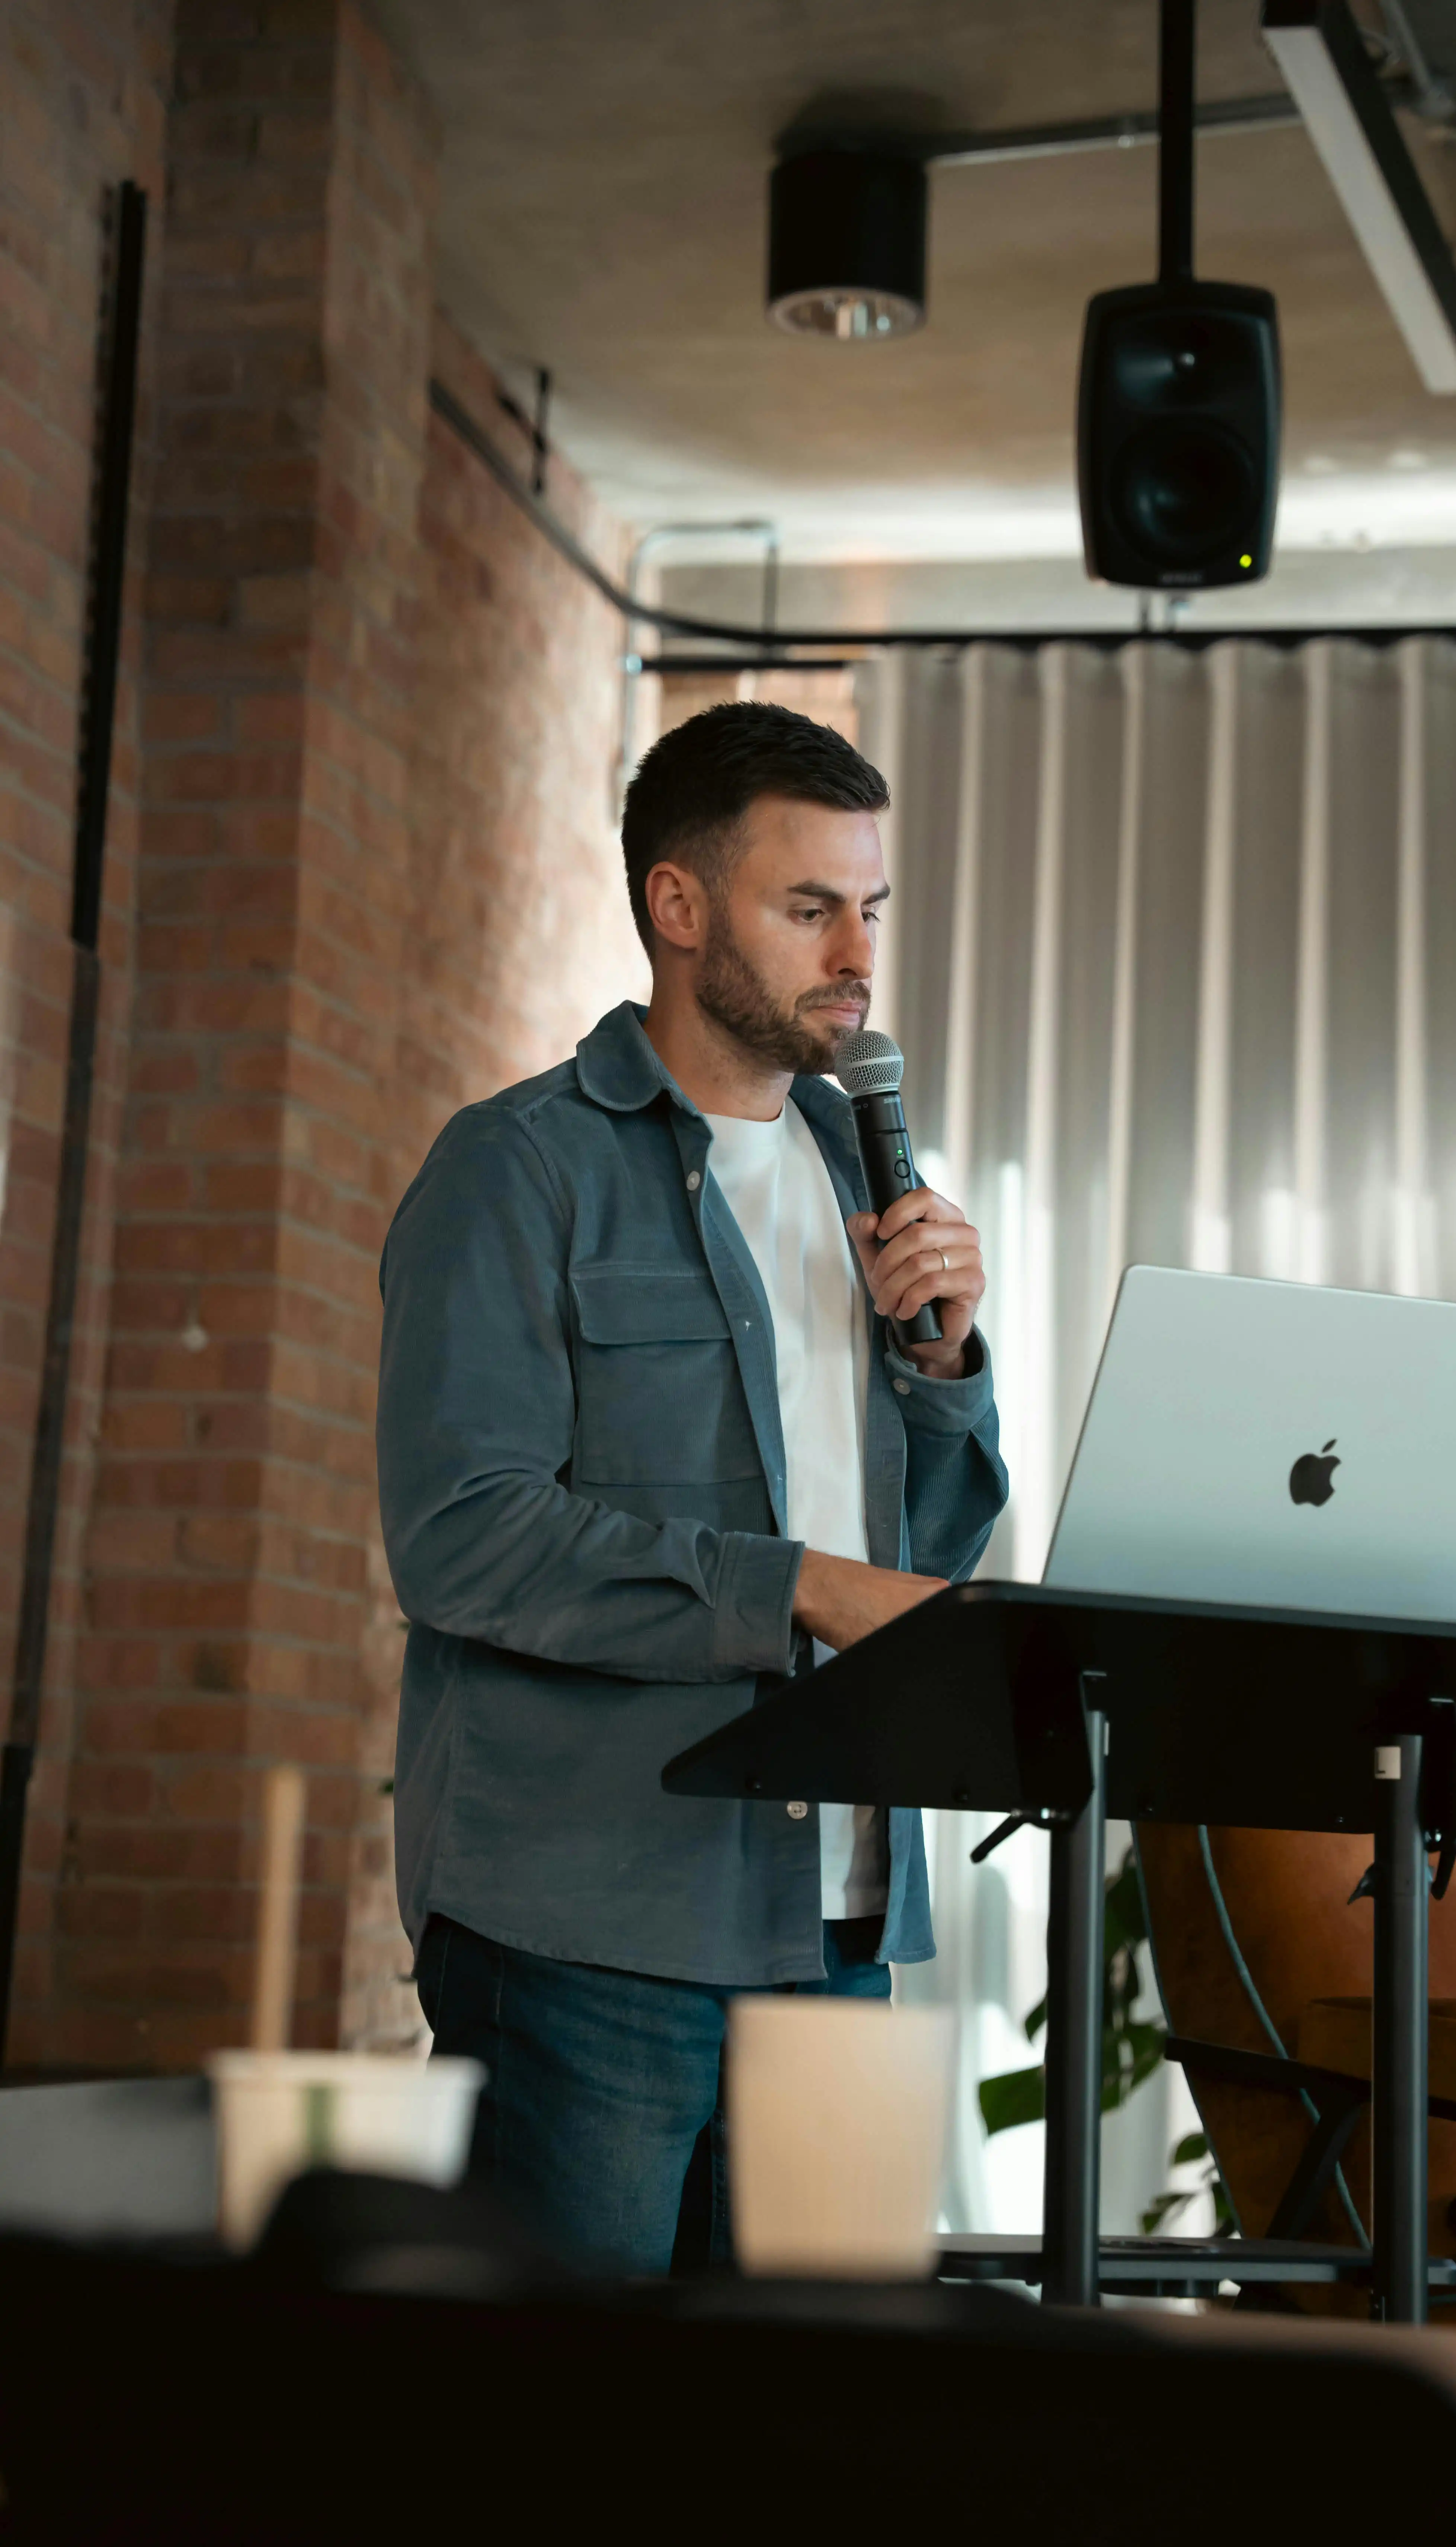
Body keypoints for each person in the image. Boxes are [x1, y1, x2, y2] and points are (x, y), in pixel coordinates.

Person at [377, 700, 1007, 2273]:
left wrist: (945, 1371)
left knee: (793, 2462)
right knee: (566, 2463)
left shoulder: (867, 1175)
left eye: (867, 909)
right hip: (586, 1932)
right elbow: (465, 1541)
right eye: (807, 909)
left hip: (838, 1925)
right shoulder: (516, 1170)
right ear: (677, 907)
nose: (853, 953)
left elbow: (909, 1570)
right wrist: (793, 1582)